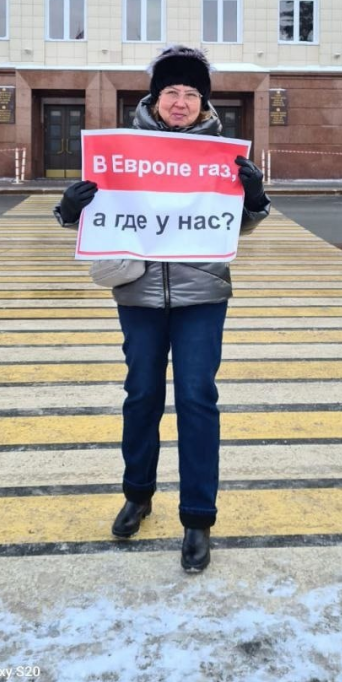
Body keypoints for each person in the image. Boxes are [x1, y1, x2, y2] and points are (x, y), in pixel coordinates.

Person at [55, 46, 270, 573]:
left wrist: (254, 199)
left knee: (197, 399)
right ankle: (138, 494)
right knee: (142, 395)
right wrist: (70, 209)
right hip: (139, 294)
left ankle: (197, 518)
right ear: (155, 99)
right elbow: (100, 217)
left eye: (191, 93)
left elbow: (235, 226)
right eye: (171, 91)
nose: (180, 101)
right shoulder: (121, 151)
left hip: (203, 295)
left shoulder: (223, 154)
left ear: (203, 103)